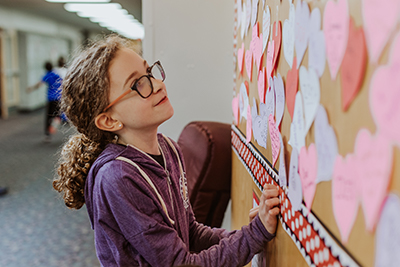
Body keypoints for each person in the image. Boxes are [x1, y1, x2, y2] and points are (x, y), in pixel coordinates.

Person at [52, 35, 280, 267]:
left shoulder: (168, 148)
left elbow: (189, 233)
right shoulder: (119, 178)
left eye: (149, 72)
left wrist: (249, 234)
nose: (158, 84)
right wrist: (253, 235)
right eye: (138, 84)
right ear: (109, 120)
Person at [27, 61, 62, 142]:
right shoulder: (56, 74)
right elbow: (62, 82)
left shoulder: (47, 75)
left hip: (51, 99)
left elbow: (39, 84)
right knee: (57, 114)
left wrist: (31, 88)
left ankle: (47, 134)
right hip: (58, 97)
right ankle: (57, 121)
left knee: (48, 116)